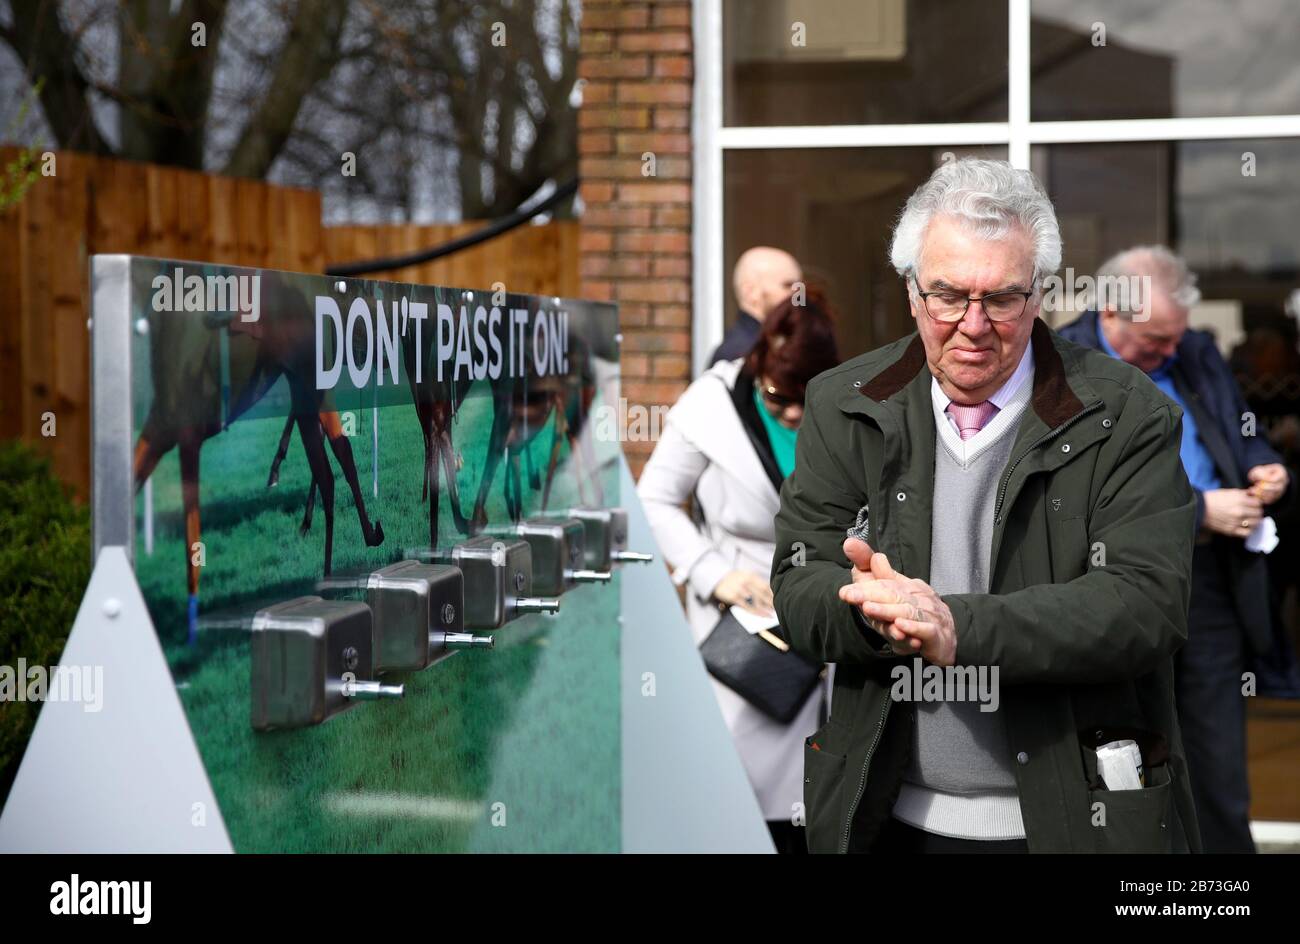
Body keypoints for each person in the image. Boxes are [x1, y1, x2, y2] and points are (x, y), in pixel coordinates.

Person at [772, 158, 1202, 854]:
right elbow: (798, 583)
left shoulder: (1127, 413)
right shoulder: (843, 404)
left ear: (1040, 296)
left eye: (1001, 298)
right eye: (946, 294)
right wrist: (880, 619)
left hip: (1072, 824)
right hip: (885, 818)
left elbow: (1145, 605)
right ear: (911, 292)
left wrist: (955, 628)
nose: (973, 324)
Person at [1057, 247, 1294, 853]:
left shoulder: (1194, 350)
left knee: (1217, 757)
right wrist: (1199, 507)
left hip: (1208, 581)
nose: (1169, 351)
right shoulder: (1062, 364)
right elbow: (1083, 484)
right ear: (1111, 311)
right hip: (1113, 581)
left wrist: (1264, 466)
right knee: (1124, 752)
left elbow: (1240, 426)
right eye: (1156, 339)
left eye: (1175, 339)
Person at [639, 289, 839, 853]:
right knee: (738, 793)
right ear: (757, 364)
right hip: (742, 629)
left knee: (816, 799)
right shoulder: (710, 404)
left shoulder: (851, 405)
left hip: (823, 627)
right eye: (780, 398)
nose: (794, 414)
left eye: (806, 399)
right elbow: (653, 499)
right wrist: (711, 572)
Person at [708, 247, 803, 366]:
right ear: (750, 292)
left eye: (800, 287)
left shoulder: (774, 345)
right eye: (787, 285)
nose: (799, 295)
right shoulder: (740, 355)